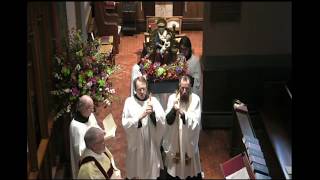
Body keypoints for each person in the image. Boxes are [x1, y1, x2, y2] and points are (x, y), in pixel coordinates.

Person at [122, 76, 166, 179]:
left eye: (144, 89)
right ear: (134, 89)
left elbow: (162, 121)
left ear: (147, 88)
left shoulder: (153, 101)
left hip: (150, 143)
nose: (142, 92)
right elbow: (125, 123)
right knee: (137, 171)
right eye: (139, 89)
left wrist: (153, 114)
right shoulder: (129, 102)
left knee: (151, 171)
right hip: (137, 144)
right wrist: (140, 117)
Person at [162, 75, 202, 179]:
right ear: (179, 86)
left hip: (188, 141)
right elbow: (168, 121)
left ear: (190, 88)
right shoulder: (172, 98)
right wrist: (174, 110)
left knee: (190, 174)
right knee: (174, 174)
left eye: (187, 88)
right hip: (175, 141)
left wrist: (184, 115)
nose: (184, 91)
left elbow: (196, 122)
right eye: (182, 88)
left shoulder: (195, 100)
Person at [69, 95, 98, 179]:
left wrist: (102, 133)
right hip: (86, 163)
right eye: (90, 108)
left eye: (93, 107)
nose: (92, 110)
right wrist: (95, 143)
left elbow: (96, 127)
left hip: (95, 155)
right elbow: (80, 151)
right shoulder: (75, 126)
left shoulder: (90, 116)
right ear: (83, 108)